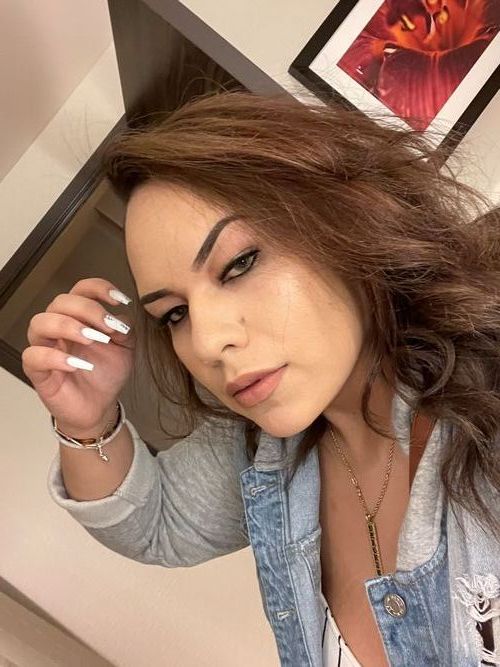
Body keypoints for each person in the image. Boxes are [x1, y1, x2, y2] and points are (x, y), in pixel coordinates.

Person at [23, 91, 500, 667]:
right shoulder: (262, 455)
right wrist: (87, 420)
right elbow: (156, 527)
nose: (206, 342)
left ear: (348, 218)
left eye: (239, 265)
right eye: (175, 314)